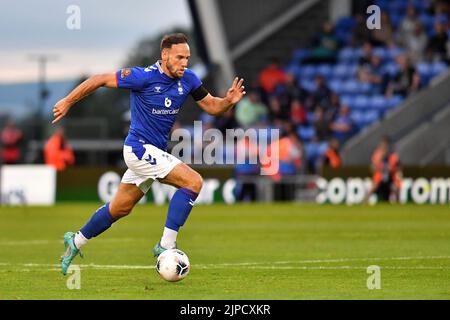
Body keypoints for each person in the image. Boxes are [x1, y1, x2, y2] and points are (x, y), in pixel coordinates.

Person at [53, 33, 246, 275]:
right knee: (193, 181)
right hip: (138, 148)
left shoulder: (189, 79)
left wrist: (229, 101)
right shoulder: (142, 77)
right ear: (165, 55)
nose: (185, 62)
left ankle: (76, 241)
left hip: (153, 152)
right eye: (179, 57)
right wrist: (68, 101)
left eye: (187, 57)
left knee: (120, 207)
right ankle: (166, 245)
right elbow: (99, 79)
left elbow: (212, 106)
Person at [364, 136, 402, 203]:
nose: (384, 147)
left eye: (385, 145)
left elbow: (399, 167)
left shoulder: (393, 155)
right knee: (373, 187)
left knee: (396, 189)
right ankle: (363, 203)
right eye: (382, 145)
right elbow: (372, 168)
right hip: (379, 178)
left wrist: (392, 170)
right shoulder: (377, 155)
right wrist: (379, 167)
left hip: (390, 179)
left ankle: (398, 206)